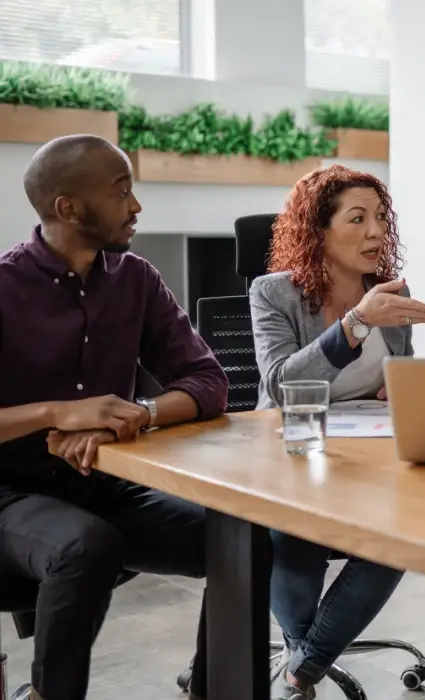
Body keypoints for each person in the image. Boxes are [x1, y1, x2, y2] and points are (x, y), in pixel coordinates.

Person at [0, 135, 229, 700]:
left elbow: (208, 383)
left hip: (105, 484)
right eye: (121, 189)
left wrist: (134, 415)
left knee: (239, 536)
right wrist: (60, 413)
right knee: (87, 544)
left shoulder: (136, 279)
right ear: (68, 208)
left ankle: (215, 687)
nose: (136, 205)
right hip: (9, 494)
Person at [249, 166, 425, 700]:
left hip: (373, 455)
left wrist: (400, 388)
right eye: (358, 218)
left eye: (381, 217)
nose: (376, 231)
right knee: (296, 534)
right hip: (295, 451)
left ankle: (302, 663)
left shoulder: (388, 294)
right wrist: (357, 322)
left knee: (401, 536)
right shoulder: (273, 294)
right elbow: (283, 387)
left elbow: (398, 374)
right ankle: (305, 659)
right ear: (318, 229)